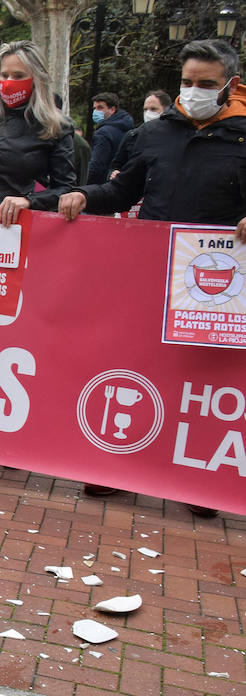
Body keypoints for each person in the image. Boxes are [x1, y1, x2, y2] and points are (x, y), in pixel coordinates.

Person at [33, 39, 246, 518]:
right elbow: (120, 189)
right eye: (187, 82)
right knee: (136, 367)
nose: (192, 91)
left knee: (201, 382)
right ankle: (117, 466)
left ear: (230, 85)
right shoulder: (154, 134)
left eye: (206, 84)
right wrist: (83, 196)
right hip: (147, 272)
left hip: (214, 284)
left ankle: (200, 481)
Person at [0, 40, 76, 228]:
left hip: (28, 226)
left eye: (18, 76)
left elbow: (66, 189)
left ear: (37, 78)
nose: (9, 82)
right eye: (4, 75)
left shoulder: (57, 126)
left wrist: (29, 200)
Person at [108, 89, 172, 177]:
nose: (148, 113)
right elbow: (116, 165)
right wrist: (114, 173)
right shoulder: (133, 136)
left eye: (153, 109)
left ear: (166, 110)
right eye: (145, 109)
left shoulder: (174, 137)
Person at [86, 91, 133, 184]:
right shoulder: (128, 128)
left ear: (112, 109)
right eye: (94, 108)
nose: (96, 112)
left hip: (102, 186)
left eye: (100, 108)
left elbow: (96, 165)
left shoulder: (103, 133)